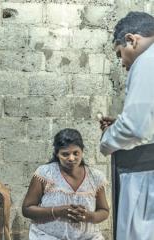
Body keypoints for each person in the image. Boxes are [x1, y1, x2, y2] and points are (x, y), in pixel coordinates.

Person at [99, 11, 154, 240]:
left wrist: (108, 139)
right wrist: (121, 121)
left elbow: (136, 129)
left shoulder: (147, 60)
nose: (122, 62)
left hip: (146, 171)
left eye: (120, 53)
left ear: (131, 40)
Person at [22, 128, 109, 240]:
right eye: (65, 154)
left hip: (88, 237)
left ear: (82, 151)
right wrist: (57, 211)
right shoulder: (45, 173)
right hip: (48, 236)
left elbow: (104, 211)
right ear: (57, 154)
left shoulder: (95, 176)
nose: (71, 158)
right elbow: (27, 209)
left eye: (76, 153)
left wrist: (88, 216)